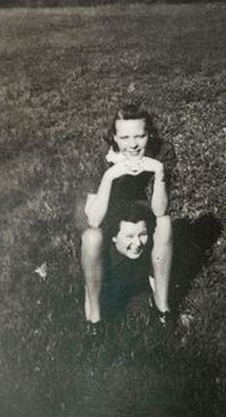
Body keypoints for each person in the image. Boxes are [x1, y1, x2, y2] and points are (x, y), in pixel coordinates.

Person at [74, 104, 175, 330]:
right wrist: (110, 175)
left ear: (149, 135)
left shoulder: (161, 152)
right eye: (125, 137)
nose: (133, 144)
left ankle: (162, 308)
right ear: (114, 138)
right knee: (92, 237)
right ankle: (95, 319)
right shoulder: (100, 156)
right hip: (101, 209)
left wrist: (159, 171)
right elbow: (94, 220)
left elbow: (160, 210)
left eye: (140, 136)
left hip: (137, 207)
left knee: (165, 224)